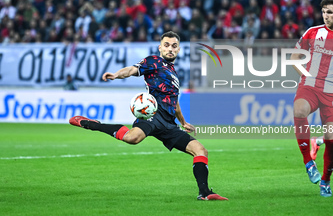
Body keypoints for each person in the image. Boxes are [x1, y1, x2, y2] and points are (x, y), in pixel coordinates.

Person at [69, 31, 227, 201]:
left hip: (169, 123)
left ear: (179, 50)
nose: (170, 49)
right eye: (166, 45)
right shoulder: (153, 61)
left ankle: (204, 193)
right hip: (153, 113)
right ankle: (91, 123)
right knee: (132, 138)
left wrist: (183, 122)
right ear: (160, 47)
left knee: (200, 150)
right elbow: (132, 70)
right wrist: (116, 75)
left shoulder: (173, 73)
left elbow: (174, 101)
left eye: (174, 46)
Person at [291, 0, 333, 197]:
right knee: (299, 110)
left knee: (332, 137)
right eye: (323, 11)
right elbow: (294, 58)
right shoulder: (313, 32)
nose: (325, 15)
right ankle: (308, 162)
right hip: (310, 86)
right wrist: (307, 76)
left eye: (329, 12)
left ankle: (326, 181)